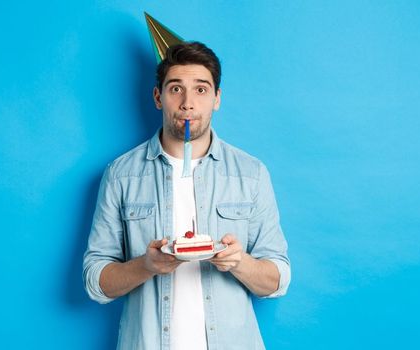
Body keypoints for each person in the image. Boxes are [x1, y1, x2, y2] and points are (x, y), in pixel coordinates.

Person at [82, 41, 291, 350]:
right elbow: (95, 282)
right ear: (158, 97)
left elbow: (277, 280)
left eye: (201, 90)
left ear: (217, 99)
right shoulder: (121, 174)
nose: (188, 103)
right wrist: (147, 265)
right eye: (176, 89)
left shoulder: (251, 173)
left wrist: (239, 262)